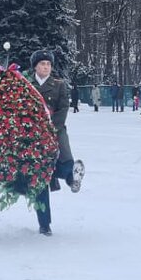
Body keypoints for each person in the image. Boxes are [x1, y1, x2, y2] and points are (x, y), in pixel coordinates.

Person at [28, 50, 87, 237]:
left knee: (65, 159)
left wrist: (51, 126)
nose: (46, 67)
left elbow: (63, 107)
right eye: (42, 64)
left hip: (56, 130)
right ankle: (44, 223)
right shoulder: (26, 85)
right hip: (32, 135)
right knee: (39, 176)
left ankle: (72, 178)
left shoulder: (59, 85)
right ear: (35, 66)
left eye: (48, 64)